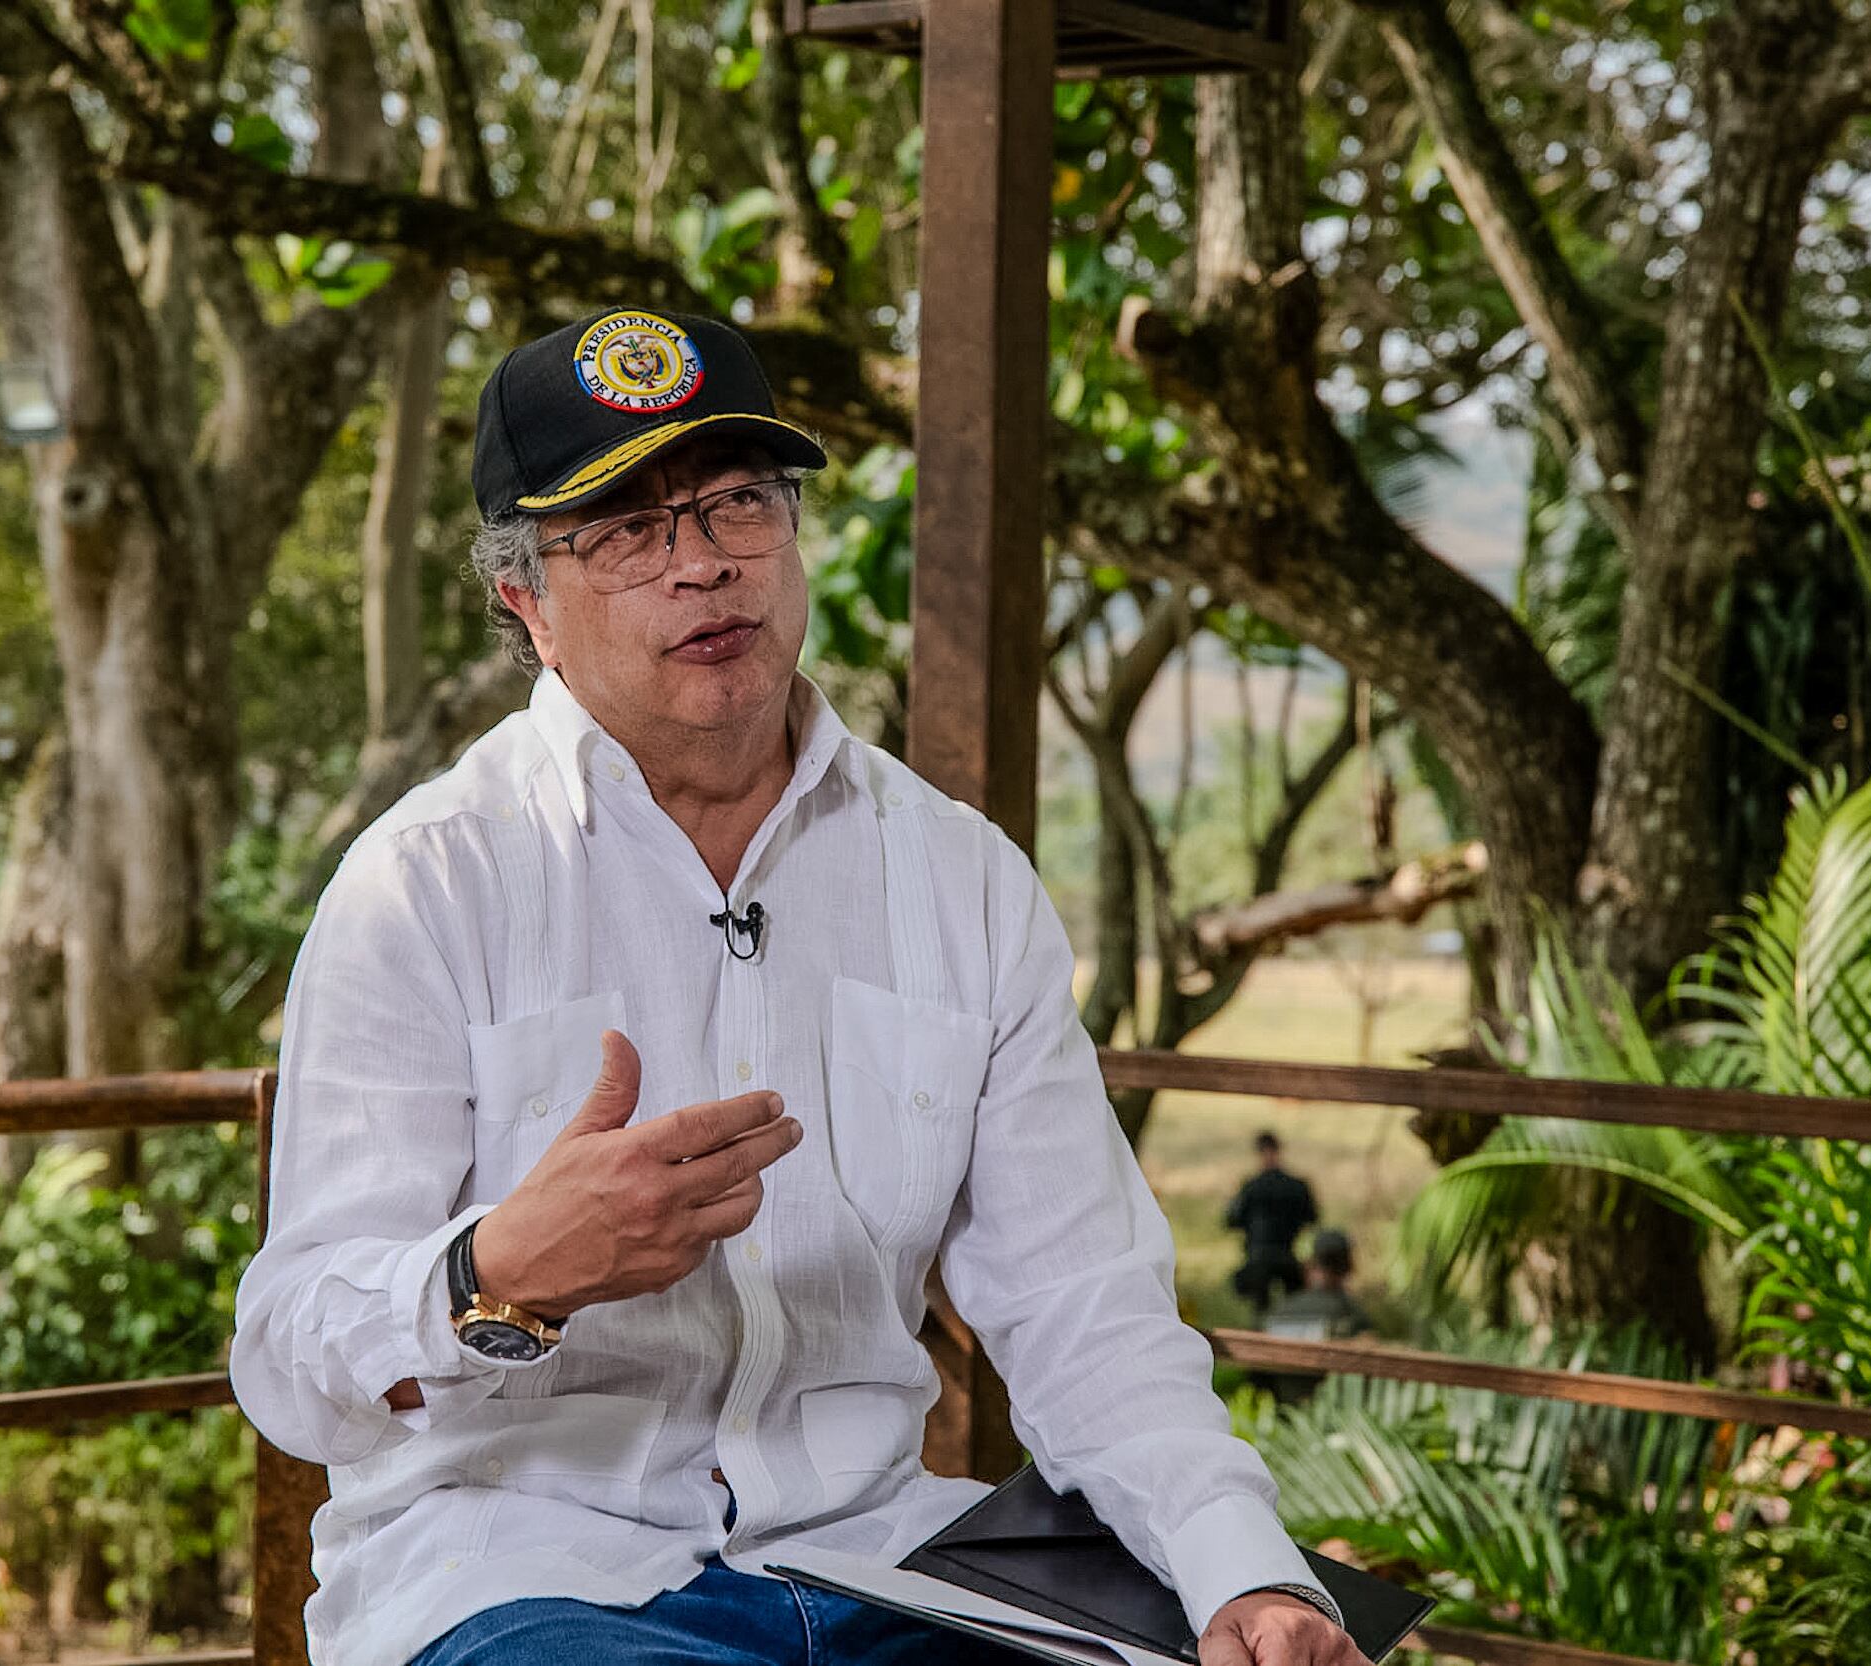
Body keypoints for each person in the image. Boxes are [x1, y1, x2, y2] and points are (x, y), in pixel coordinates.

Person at [230, 307, 1366, 1666]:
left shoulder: (956, 877)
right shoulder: (426, 879)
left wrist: (1247, 1575)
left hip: (883, 1555)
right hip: (528, 1564)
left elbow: (1086, 1308)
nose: (703, 563)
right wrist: (501, 1270)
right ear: (526, 601)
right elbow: (290, 1350)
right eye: (628, 529)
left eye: (737, 503)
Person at [1253, 1230, 1373, 1407]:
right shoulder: (1351, 1315)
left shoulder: (1282, 1309)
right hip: (1331, 1410)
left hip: (1281, 1406)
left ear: (1310, 1265)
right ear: (1348, 1268)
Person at [1225, 1132, 1317, 1316]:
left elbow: (1232, 1220)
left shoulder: (1251, 1187)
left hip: (1260, 1256)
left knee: (1261, 1309)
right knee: (1293, 1305)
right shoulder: (1297, 1186)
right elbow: (1311, 1217)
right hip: (1286, 1253)